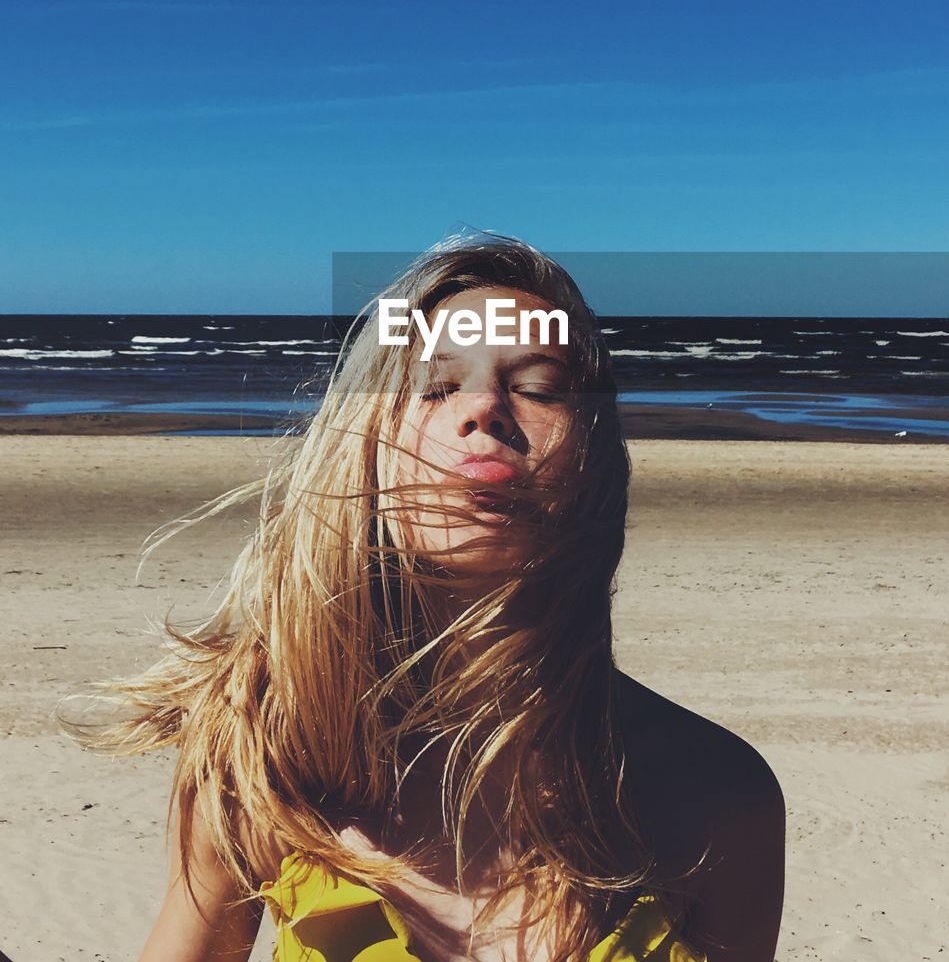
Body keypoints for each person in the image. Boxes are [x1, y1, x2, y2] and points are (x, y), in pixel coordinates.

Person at [76, 234, 785, 962]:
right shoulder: (265, 752)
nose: (483, 408)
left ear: (594, 461)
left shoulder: (719, 795)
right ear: (368, 444)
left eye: (539, 386)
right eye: (437, 386)